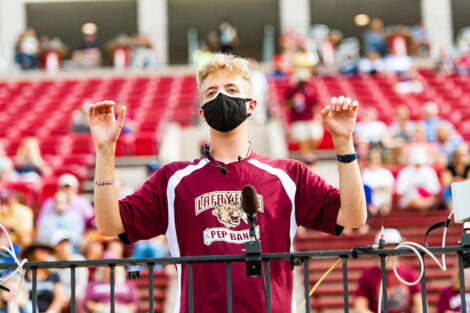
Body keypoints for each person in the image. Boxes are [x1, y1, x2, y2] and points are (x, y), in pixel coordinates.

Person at [88, 53, 366, 313]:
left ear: (252, 106)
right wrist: (104, 151)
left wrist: (343, 142)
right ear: (202, 112)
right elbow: (110, 224)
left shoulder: (288, 175)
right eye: (211, 92)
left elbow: (353, 216)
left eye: (232, 90)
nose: (221, 96)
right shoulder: (173, 179)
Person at [354, 228, 422, 313]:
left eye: (394, 246)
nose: (391, 250)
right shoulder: (368, 275)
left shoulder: (409, 273)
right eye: (387, 246)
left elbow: (419, 303)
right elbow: (360, 305)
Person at [284, 68, 323, 159]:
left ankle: (310, 154)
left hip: (310, 119)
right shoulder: (291, 90)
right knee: (302, 140)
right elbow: (286, 105)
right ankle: (307, 159)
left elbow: (316, 104)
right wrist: (293, 101)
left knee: (315, 138)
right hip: (298, 120)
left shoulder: (311, 89)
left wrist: (317, 115)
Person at [22, 242, 65, 313]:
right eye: (42, 248)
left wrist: (50, 311)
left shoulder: (54, 276)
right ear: (32, 251)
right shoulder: (22, 275)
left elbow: (59, 298)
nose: (46, 252)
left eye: (48, 250)